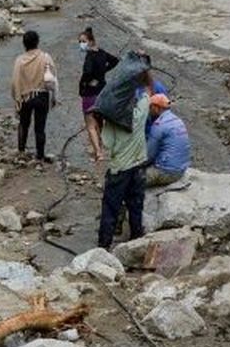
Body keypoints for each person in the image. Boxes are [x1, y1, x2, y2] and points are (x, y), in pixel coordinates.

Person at [85, 68, 153, 249]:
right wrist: (144, 69)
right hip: (139, 166)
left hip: (119, 169)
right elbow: (148, 90)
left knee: (110, 207)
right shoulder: (139, 114)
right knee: (136, 205)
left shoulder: (112, 126)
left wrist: (99, 125)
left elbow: (107, 145)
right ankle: (137, 238)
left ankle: (104, 244)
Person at [10, 30, 57, 162]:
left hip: (25, 97)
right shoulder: (46, 57)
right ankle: (40, 156)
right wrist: (54, 97)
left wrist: (16, 97)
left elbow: (15, 81)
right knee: (40, 127)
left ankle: (21, 151)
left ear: (24, 44)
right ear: (37, 42)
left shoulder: (19, 60)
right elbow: (52, 78)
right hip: (42, 95)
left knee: (23, 124)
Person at [144, 94, 189, 187]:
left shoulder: (159, 125)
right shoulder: (177, 120)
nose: (148, 110)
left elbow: (149, 155)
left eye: (150, 107)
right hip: (181, 169)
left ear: (157, 108)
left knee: (133, 180)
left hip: (167, 172)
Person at [77, 27, 118, 114]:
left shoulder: (90, 56)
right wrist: (104, 70)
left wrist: (82, 85)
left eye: (84, 42)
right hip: (102, 90)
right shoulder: (102, 52)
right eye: (80, 42)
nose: (81, 44)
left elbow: (87, 72)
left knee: (90, 121)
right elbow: (115, 61)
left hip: (90, 92)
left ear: (91, 42)